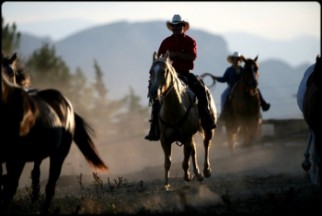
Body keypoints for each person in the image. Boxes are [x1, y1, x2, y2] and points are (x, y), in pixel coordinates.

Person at [145, 14, 216, 141]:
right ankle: (154, 127)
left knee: (201, 90)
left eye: (179, 26)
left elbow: (192, 57)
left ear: (183, 27)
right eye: (174, 26)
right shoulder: (166, 42)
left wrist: (174, 55)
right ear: (171, 28)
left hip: (185, 73)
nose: (176, 28)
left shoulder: (190, 41)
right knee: (156, 96)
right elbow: (160, 59)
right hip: (167, 75)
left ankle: (206, 119)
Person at [213, 51, 270, 120]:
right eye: (235, 59)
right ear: (232, 60)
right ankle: (224, 113)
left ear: (240, 60)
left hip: (244, 87)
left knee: (256, 90)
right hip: (231, 87)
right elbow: (224, 79)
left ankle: (263, 104)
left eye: (238, 59)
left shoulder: (243, 69)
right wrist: (216, 78)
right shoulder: (229, 70)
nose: (236, 61)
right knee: (223, 96)